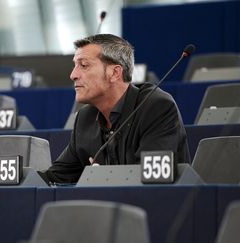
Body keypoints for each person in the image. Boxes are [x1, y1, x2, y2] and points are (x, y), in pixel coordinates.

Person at [39, 34, 190, 184]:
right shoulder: (86, 117)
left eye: (84, 65)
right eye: (75, 66)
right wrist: (21, 178)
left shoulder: (157, 107)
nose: (73, 75)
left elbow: (152, 178)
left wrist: (105, 176)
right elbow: (56, 176)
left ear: (115, 73)